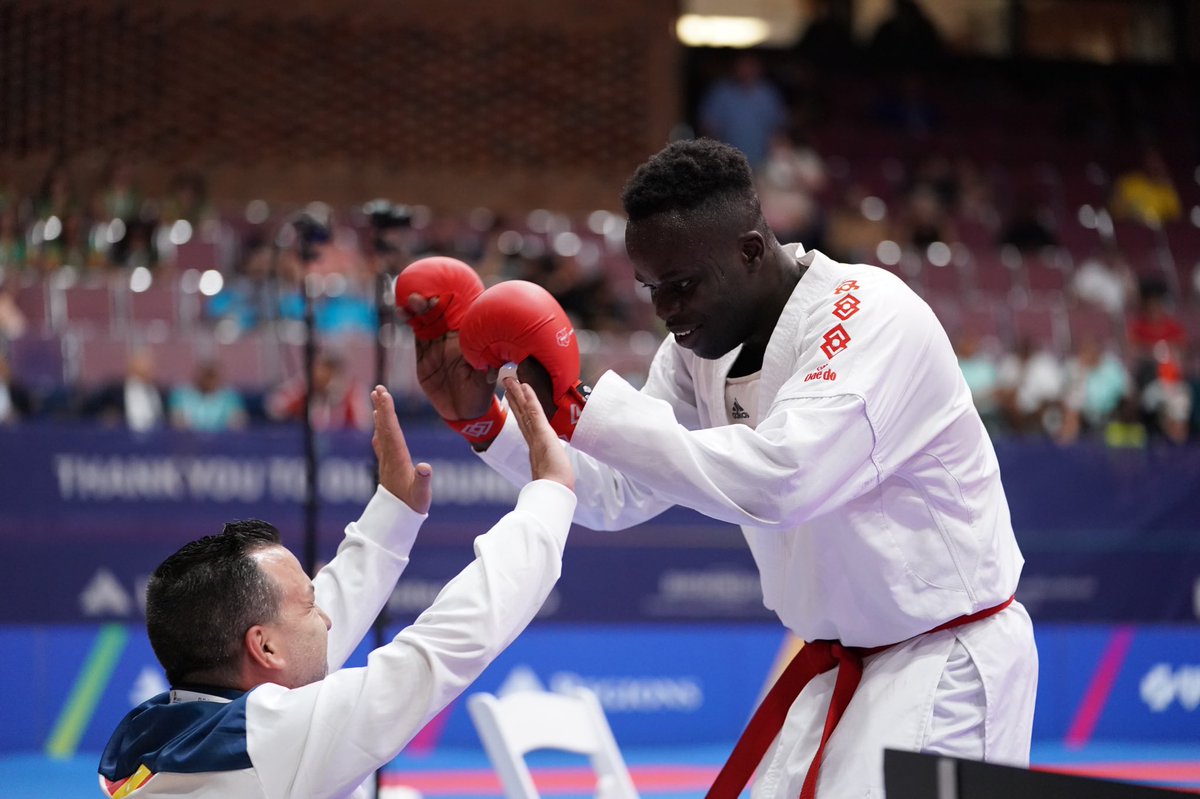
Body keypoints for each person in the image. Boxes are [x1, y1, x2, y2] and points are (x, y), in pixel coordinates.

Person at [406, 139, 1037, 798]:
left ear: (752, 251)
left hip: (945, 662)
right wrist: (488, 423)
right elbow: (613, 490)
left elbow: (783, 479)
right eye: (652, 288)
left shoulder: (871, 316)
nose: (665, 310)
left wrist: (579, 405)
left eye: (681, 284)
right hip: (836, 664)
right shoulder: (698, 352)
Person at [98, 381, 575, 798]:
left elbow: (300, 646)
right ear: (261, 645)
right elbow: (440, 650)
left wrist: (395, 513)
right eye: (310, 604)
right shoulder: (268, 742)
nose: (325, 617)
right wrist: (551, 494)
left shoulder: (159, 734)